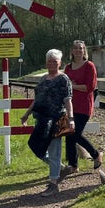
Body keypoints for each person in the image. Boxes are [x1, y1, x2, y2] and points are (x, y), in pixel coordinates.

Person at [21, 49, 74, 195]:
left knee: (54, 151)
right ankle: (61, 169)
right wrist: (27, 114)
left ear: (60, 63)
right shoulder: (43, 78)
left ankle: (53, 184)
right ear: (46, 63)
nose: (51, 64)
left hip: (56, 119)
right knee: (36, 146)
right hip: (42, 119)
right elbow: (37, 100)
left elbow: (68, 100)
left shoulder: (64, 79)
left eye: (54, 61)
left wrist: (71, 119)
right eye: (49, 61)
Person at [64, 40, 102, 174]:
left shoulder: (89, 66)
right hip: (70, 106)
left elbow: (90, 87)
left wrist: (73, 86)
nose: (78, 50)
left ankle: (96, 154)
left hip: (84, 105)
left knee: (75, 133)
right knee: (68, 134)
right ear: (72, 51)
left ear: (84, 51)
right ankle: (73, 165)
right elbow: (64, 84)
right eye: (75, 48)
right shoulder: (68, 67)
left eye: (80, 48)